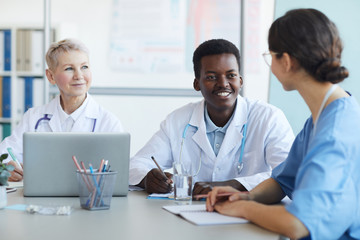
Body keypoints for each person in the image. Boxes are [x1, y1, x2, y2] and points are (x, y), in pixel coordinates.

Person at [206, 9, 360, 240]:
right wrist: (246, 197)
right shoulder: (322, 117)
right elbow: (283, 181)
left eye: (271, 56)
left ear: (286, 61)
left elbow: (298, 225)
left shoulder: (335, 133)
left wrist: (242, 209)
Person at [129, 39, 294, 195]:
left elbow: (289, 173)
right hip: (190, 217)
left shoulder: (268, 118)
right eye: (211, 77)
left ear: (241, 81)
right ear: (196, 84)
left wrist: (229, 185)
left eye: (231, 75)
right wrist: (148, 178)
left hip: (250, 214)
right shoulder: (177, 120)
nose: (223, 83)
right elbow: (136, 164)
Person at [0, 38, 124, 182]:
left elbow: (119, 174)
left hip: (88, 200)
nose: (79, 76)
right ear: (51, 76)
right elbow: (5, 154)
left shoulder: (108, 122)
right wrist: (7, 166)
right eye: (69, 69)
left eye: (84, 67)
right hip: (39, 199)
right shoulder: (33, 118)